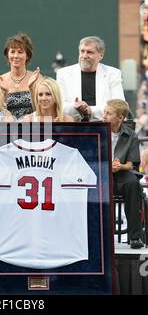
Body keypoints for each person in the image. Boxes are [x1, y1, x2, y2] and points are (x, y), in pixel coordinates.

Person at [103, 99, 144, 249]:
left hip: (121, 173)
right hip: (102, 172)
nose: (104, 116)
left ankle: (134, 237)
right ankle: (96, 235)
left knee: (133, 184)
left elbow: (131, 164)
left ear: (120, 118)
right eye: (104, 112)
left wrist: (120, 166)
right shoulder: (97, 130)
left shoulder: (131, 135)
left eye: (109, 113)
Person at [57, 36, 125, 122]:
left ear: (101, 55)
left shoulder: (113, 74)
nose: (84, 56)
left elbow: (119, 105)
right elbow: (60, 105)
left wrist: (91, 110)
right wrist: (75, 106)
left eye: (89, 52)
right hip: (73, 126)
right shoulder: (63, 74)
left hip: (103, 125)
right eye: (82, 51)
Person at [0, 32, 41, 120]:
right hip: (6, 129)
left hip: (32, 128)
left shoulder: (37, 78)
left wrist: (32, 88)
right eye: (12, 52)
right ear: (7, 55)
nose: (16, 56)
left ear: (27, 55)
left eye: (20, 52)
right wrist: (4, 93)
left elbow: (42, 110)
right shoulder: (0, 80)